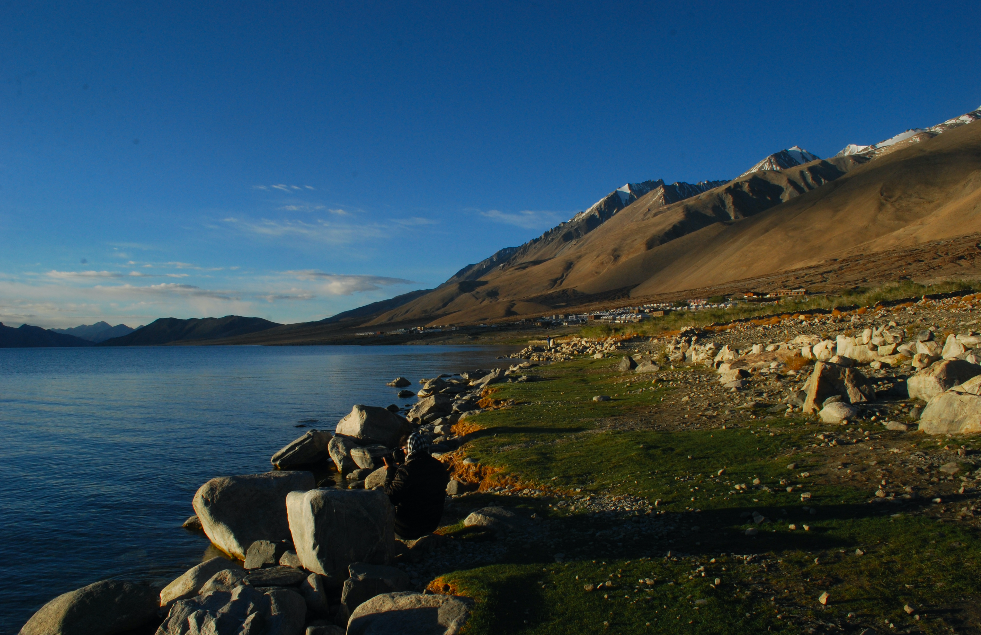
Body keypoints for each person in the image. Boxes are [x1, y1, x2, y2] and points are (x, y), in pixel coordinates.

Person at [382, 431, 450, 540]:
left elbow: (389, 497)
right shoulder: (438, 465)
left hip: (408, 528)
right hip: (432, 523)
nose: (401, 454)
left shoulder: (407, 470)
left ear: (409, 449)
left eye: (402, 450)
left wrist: (390, 471)